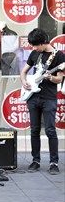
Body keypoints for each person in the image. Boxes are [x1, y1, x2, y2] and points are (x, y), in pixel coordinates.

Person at [20, 28, 64, 175]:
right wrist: (24, 82)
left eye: (35, 45)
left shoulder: (58, 56)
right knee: (34, 130)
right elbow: (24, 72)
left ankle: (54, 162)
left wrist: (49, 77)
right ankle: (35, 160)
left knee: (50, 130)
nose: (33, 48)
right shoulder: (34, 54)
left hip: (49, 97)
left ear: (43, 42)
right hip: (33, 97)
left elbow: (59, 78)